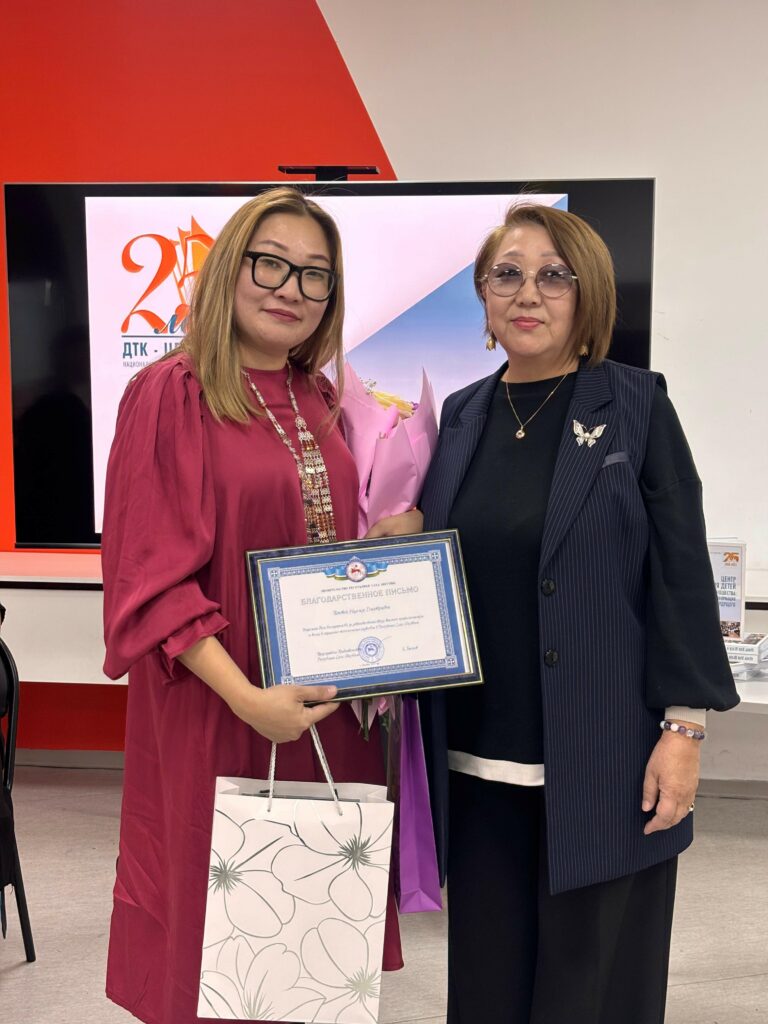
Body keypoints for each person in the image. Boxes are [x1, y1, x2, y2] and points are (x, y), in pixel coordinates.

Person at [101, 187, 418, 1023]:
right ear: (228, 270)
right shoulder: (173, 393)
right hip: (220, 702)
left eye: (315, 275)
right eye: (270, 263)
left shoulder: (322, 398)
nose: (291, 289)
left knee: (311, 940)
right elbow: (150, 577)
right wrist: (248, 699)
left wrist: (393, 545)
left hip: (323, 706)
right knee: (219, 933)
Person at [418, 202, 739, 1024]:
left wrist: (685, 728)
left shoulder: (634, 404)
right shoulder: (461, 414)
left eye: (554, 276)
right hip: (477, 765)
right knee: (487, 993)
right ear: (484, 296)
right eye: (508, 274)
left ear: (586, 293)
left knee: (590, 994)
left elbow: (679, 569)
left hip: (607, 765)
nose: (529, 293)